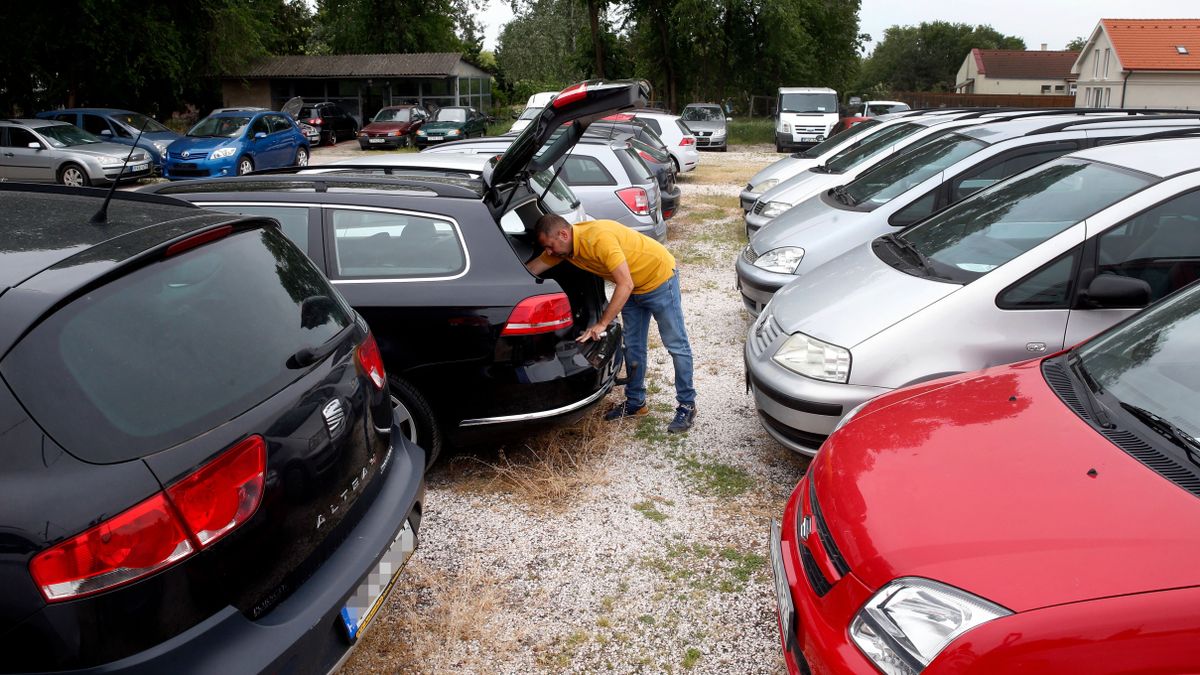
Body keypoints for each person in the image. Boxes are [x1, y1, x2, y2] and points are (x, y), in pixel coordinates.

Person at [525, 214, 697, 433]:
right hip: (631, 288)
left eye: (549, 246)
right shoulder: (564, 248)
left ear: (563, 234)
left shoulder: (598, 239)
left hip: (658, 278)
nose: (548, 252)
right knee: (633, 346)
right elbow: (532, 269)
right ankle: (636, 403)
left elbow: (625, 283)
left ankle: (686, 404)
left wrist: (602, 323)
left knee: (675, 344)